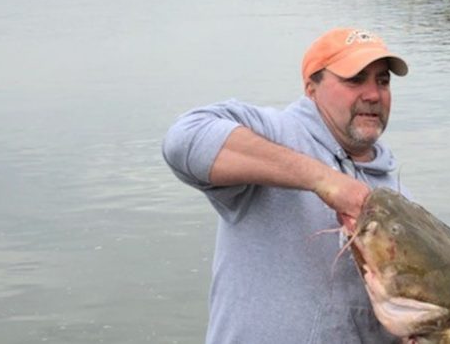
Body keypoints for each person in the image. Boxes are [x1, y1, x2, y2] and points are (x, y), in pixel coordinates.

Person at [162, 27, 410, 344]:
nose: (373, 94)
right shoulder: (274, 134)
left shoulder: (395, 197)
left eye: (383, 81)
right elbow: (184, 140)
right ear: (311, 87)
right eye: (355, 79)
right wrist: (325, 181)